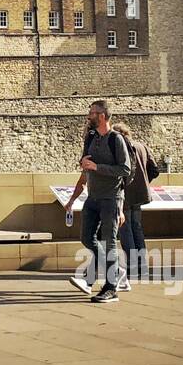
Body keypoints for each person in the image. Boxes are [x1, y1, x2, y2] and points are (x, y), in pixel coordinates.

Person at [66, 101, 131, 304]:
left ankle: (111, 288)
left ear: (102, 116)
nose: (89, 116)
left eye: (92, 113)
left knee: (109, 242)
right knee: (87, 238)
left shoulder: (116, 140)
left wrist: (97, 167)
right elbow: (86, 162)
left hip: (110, 198)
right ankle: (117, 271)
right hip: (93, 197)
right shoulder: (92, 137)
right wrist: (85, 163)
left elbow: (125, 170)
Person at [115, 122, 158, 286]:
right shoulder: (142, 146)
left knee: (126, 230)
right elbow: (154, 170)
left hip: (126, 193)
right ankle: (143, 266)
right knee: (137, 227)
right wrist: (144, 181)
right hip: (141, 192)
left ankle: (133, 266)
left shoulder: (122, 147)